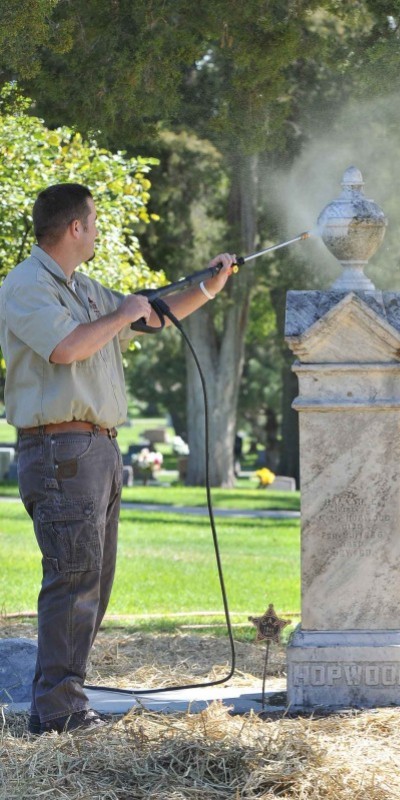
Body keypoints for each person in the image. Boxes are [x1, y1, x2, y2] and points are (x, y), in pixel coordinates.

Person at [0, 183, 235, 734]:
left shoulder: (81, 288)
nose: (100, 230)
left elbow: (149, 316)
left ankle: (65, 701)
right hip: (59, 449)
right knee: (72, 579)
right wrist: (122, 311)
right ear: (75, 227)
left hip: (96, 449)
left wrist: (208, 285)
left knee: (93, 583)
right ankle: (56, 714)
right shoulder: (26, 285)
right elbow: (66, 348)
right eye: (95, 221)